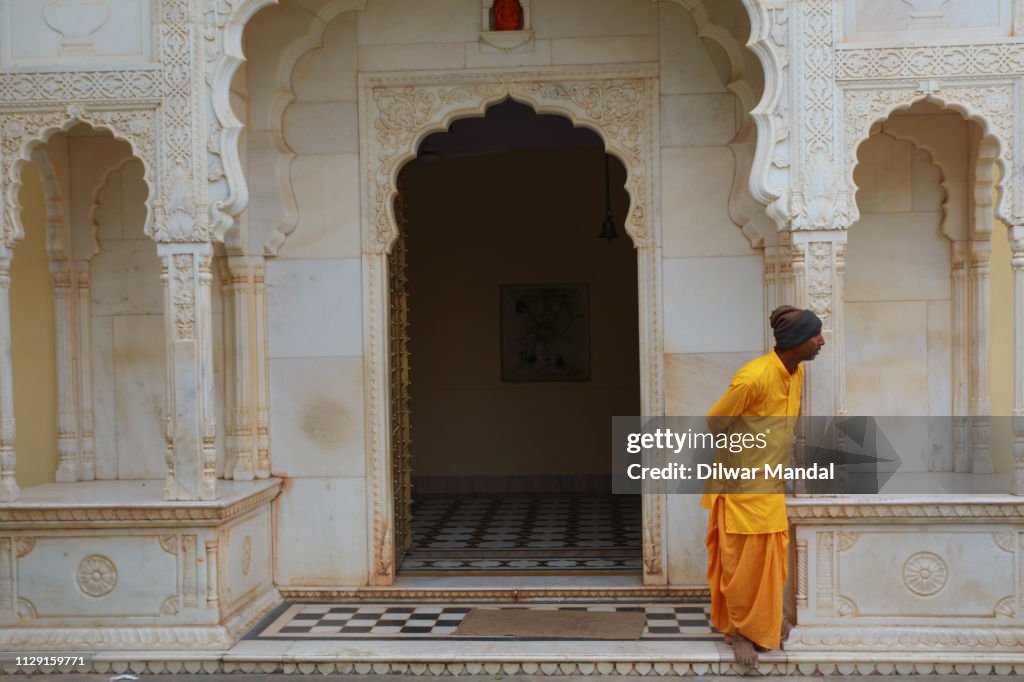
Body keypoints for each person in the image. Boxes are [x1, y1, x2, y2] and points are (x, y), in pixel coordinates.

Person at [700, 305, 824, 669]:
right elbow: (715, 421)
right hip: (741, 487)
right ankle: (741, 634)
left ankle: (759, 629)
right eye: (815, 335)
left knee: (770, 563)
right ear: (796, 341)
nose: (821, 341)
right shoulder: (753, 377)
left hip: (770, 486)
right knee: (744, 565)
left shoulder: (795, 373)